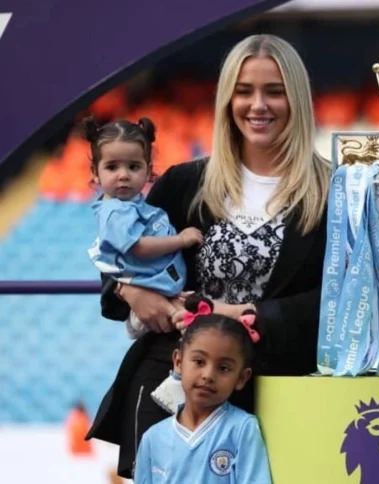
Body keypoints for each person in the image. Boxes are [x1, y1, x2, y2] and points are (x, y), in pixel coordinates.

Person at [86, 34, 330, 480]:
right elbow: (114, 254)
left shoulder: (333, 191)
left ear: (296, 98)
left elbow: (343, 297)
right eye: (244, 90)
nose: (258, 105)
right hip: (170, 386)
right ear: (226, 99)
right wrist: (127, 289)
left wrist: (252, 314)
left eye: (274, 91)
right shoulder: (184, 183)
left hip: (277, 393)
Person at [85, 117, 203, 339]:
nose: (123, 175)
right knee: (188, 325)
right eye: (112, 166)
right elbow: (137, 247)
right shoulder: (115, 211)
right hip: (150, 294)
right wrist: (182, 240)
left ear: (148, 170)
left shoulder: (132, 205)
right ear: (95, 171)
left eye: (133, 166)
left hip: (162, 286)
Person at [134, 295, 272, 483]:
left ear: (241, 378)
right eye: (199, 362)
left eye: (223, 368)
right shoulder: (153, 438)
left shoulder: (242, 429)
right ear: (179, 362)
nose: (208, 375)